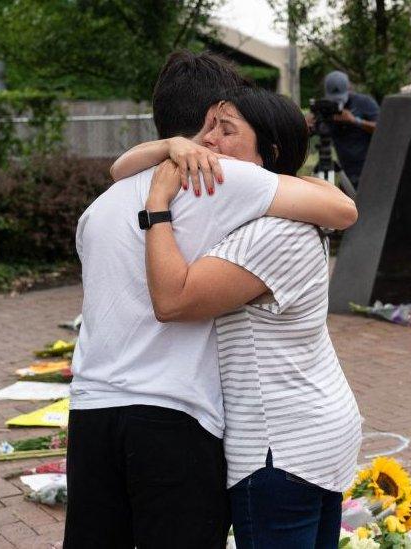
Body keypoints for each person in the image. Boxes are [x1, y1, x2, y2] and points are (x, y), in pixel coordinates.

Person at [65, 51, 356, 549]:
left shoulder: (99, 206)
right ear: (206, 124)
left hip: (91, 411)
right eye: (219, 124)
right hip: (174, 416)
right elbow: (343, 208)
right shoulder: (220, 180)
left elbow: (119, 167)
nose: (219, 139)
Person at [141, 86, 361, 548]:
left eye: (227, 130)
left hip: (280, 448)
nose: (209, 141)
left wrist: (156, 207)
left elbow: (173, 301)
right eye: (210, 127)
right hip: (312, 428)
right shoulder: (289, 210)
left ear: (269, 153)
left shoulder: (270, 233)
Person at [308, 70, 379, 187]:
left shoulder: (365, 103)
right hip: (345, 171)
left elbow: (382, 130)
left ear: (349, 88)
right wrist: (305, 125)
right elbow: (308, 133)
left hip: (368, 171)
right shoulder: (325, 108)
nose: (337, 103)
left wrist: (355, 120)